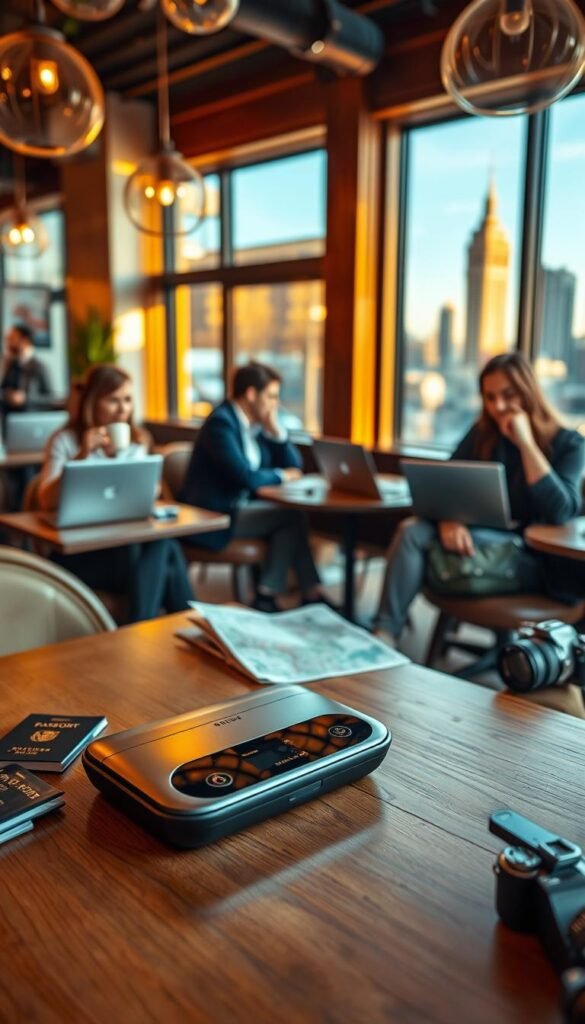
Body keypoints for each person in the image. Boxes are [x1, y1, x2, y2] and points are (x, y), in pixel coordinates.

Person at [373, 351, 585, 645]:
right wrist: (448, 518)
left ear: (528, 391)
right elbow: (443, 483)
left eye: (508, 395)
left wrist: (525, 442)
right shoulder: (484, 434)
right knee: (411, 531)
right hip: (481, 538)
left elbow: (560, 510)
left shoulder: (570, 443)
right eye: (490, 397)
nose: (498, 406)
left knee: (421, 543)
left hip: (533, 557)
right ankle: (385, 633)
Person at [37, 364, 194, 623]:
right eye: (113, 400)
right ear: (92, 402)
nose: (123, 409)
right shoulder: (65, 441)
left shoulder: (137, 441)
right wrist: (81, 456)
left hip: (127, 551)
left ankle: (139, 631)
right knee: (165, 552)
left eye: (128, 400)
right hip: (83, 554)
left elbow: (149, 495)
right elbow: (45, 499)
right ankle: (190, 628)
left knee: (162, 547)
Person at [179, 361, 330, 612]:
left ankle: (272, 594)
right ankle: (289, 593)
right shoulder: (222, 423)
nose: (275, 404)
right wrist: (282, 476)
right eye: (271, 396)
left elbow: (295, 466)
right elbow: (244, 476)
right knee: (290, 518)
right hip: (213, 516)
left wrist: (277, 432)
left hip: (239, 508)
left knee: (290, 522)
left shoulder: (253, 426)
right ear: (251, 394)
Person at [0, 324, 50, 417]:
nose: (8, 342)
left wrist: (25, 399)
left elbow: (49, 399)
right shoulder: (11, 365)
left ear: (24, 341)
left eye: (12, 338)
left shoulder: (39, 367)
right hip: (9, 421)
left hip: (30, 420)